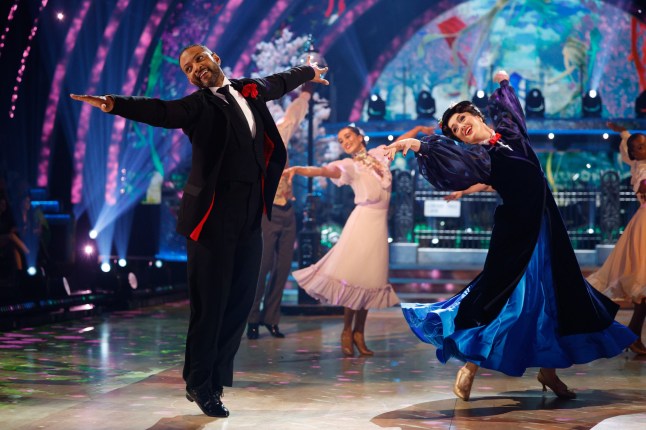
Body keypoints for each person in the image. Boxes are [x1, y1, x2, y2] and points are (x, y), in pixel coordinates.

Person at [70, 45, 328, 417]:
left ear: (216, 59)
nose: (195, 70)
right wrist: (114, 103)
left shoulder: (250, 89)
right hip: (212, 217)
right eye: (188, 68)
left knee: (239, 304)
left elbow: (280, 81)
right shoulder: (198, 106)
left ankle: (213, 380)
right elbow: (161, 110)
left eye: (199, 61)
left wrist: (308, 73)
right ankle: (200, 384)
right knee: (211, 305)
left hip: (251, 214)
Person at [383, 70, 635, 402]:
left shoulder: (511, 133)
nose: (461, 127)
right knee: (504, 298)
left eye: (462, 119)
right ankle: (470, 365)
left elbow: (508, 109)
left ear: (475, 113)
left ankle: (549, 371)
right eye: (456, 130)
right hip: (516, 232)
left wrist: (504, 83)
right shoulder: (477, 156)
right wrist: (416, 143)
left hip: (547, 227)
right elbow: (448, 156)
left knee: (555, 298)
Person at [284, 125, 400, 356]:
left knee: (372, 278)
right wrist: (298, 169)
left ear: (360, 137)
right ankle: (347, 330)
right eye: (340, 140)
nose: (344, 141)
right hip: (363, 221)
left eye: (347, 136)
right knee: (355, 277)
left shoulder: (378, 155)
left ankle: (360, 332)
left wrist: (419, 129)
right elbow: (324, 171)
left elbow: (400, 142)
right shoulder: (350, 165)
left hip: (379, 224)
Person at [247, 85, 314, 340]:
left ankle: (271, 318)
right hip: (266, 212)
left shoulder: (277, 135)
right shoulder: (249, 148)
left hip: (287, 209)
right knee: (262, 267)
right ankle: (252, 319)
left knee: (283, 268)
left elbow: (293, 116)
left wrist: (306, 94)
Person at [587, 122, 646, 355]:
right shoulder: (641, 167)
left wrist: (624, 132)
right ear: (634, 154)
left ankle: (631, 335)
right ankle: (630, 336)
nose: (644, 149)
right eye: (640, 147)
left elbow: (628, 147)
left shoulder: (639, 162)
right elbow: (643, 185)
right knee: (642, 286)